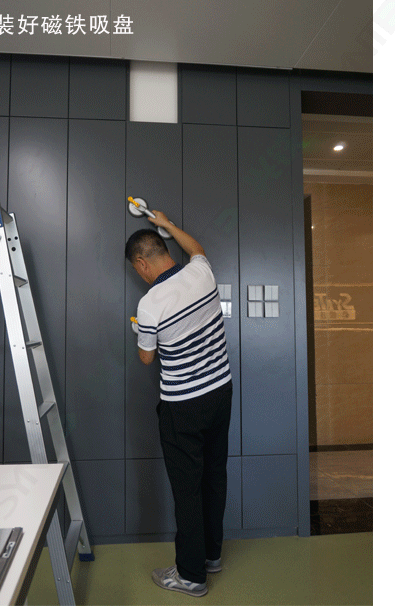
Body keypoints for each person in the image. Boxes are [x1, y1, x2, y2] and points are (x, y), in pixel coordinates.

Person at [125, 211, 232, 598]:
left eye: (137, 269)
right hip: (220, 392)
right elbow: (196, 248)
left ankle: (191, 575)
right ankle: (211, 555)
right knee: (214, 476)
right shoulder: (201, 272)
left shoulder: (150, 304)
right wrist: (167, 224)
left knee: (187, 490)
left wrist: (141, 328)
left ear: (142, 263)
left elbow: (147, 358)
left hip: (183, 405)